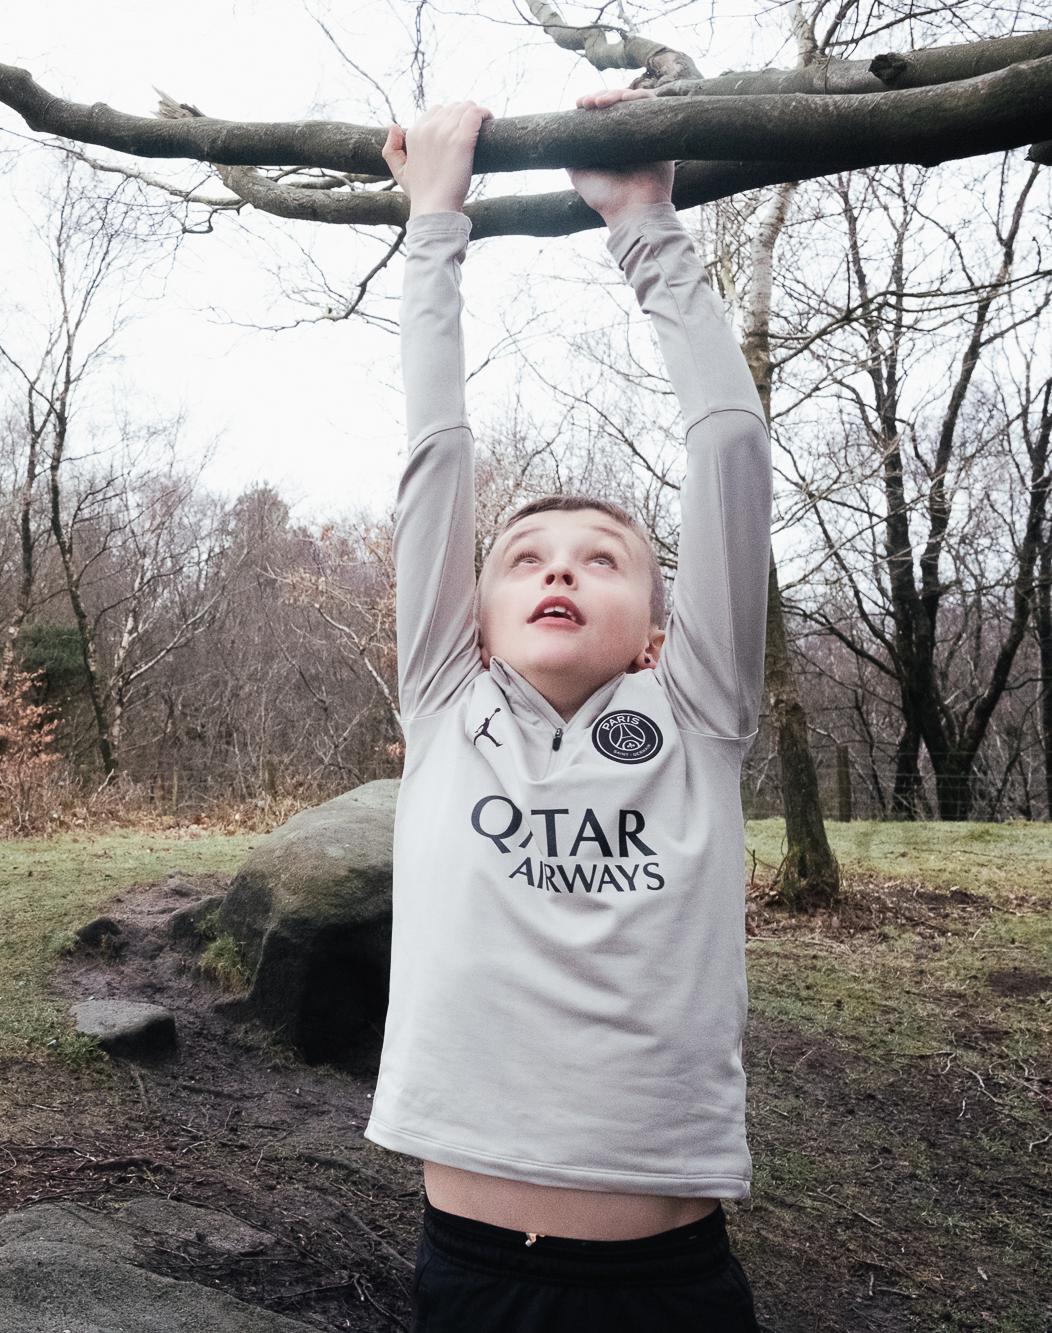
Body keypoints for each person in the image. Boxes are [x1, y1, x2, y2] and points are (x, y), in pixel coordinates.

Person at [367, 90, 771, 1330]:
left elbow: (728, 448)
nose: (555, 568)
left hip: (660, 1285)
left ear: (658, 625)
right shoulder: (445, 705)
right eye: (525, 556)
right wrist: (432, 220)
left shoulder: (696, 715)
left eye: (601, 557)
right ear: (474, 614)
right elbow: (436, 454)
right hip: (470, 1275)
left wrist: (642, 219)